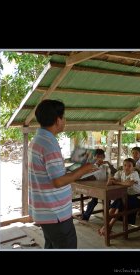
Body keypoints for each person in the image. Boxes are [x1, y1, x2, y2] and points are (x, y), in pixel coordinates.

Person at [28, 99, 97, 249]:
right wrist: (83, 170)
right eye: (64, 117)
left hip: (46, 211)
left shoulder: (38, 140)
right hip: (55, 213)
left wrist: (73, 168)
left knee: (52, 245)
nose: (65, 121)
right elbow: (58, 182)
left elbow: (50, 174)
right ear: (57, 120)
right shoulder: (49, 144)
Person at [98, 158, 140, 236]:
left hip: (137, 198)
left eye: (129, 166)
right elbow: (109, 183)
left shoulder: (134, 173)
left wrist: (116, 182)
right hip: (126, 196)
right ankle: (105, 227)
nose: (126, 167)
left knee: (119, 207)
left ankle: (108, 227)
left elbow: (129, 184)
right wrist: (111, 178)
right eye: (125, 165)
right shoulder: (120, 172)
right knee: (113, 207)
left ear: (133, 167)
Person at [79, 149, 116, 222]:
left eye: (101, 157)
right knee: (93, 201)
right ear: (94, 157)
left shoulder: (105, 166)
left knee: (106, 201)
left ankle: (107, 217)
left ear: (104, 157)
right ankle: (85, 217)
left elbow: (115, 171)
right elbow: (84, 175)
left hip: (104, 187)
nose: (99, 158)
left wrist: (108, 163)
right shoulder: (91, 165)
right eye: (97, 156)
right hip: (94, 187)